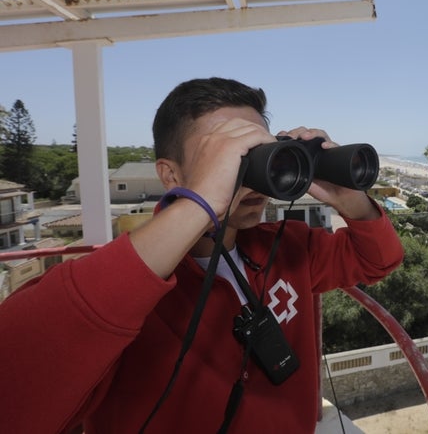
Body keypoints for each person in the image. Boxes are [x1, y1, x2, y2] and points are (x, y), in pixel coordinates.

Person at [0, 77, 404, 433]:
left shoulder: (292, 247)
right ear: (170, 175)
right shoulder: (119, 291)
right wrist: (202, 203)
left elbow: (379, 259)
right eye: (226, 157)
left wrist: (350, 200)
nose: (249, 177)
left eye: (258, 155)